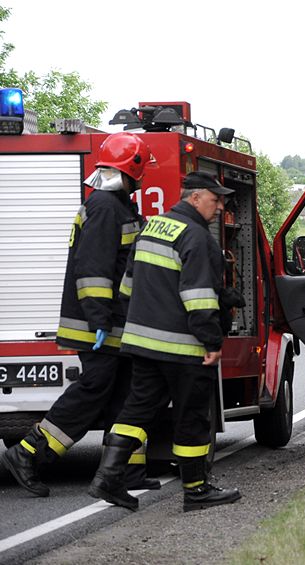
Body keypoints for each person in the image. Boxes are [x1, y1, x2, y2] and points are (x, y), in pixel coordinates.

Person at [1, 132, 159, 497]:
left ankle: (123, 470)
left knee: (125, 392)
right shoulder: (106, 207)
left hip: (117, 322)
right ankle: (27, 453)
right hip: (99, 324)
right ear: (131, 168)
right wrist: (100, 320)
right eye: (142, 168)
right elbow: (92, 271)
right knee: (94, 390)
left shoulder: (117, 205)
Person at [88, 171, 241, 512]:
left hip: (142, 344)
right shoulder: (198, 238)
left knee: (137, 410)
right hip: (183, 348)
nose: (218, 209)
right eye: (215, 200)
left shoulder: (150, 228)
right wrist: (212, 341)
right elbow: (197, 298)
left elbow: (127, 288)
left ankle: (106, 479)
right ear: (195, 197)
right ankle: (197, 490)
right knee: (191, 417)